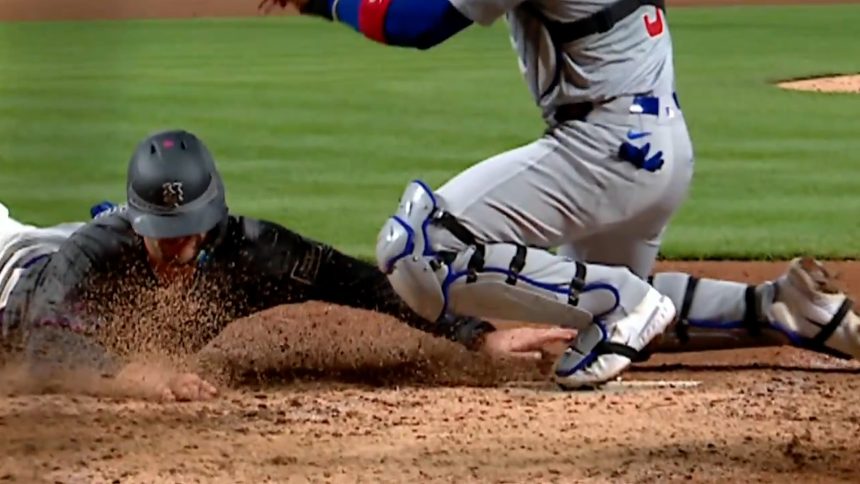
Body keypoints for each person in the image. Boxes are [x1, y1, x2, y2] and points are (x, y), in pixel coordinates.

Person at [259, 0, 860, 388]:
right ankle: (781, 308)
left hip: (607, 145)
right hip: (654, 142)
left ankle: (624, 303)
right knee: (585, 301)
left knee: (417, 248)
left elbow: (415, 25)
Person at [0, 129, 577, 401]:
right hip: (17, 265)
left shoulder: (252, 251)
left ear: (211, 221)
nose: (176, 249)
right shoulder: (96, 252)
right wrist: (137, 378)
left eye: (186, 235)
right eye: (161, 235)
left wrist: (475, 338)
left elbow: (362, 286)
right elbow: (44, 346)